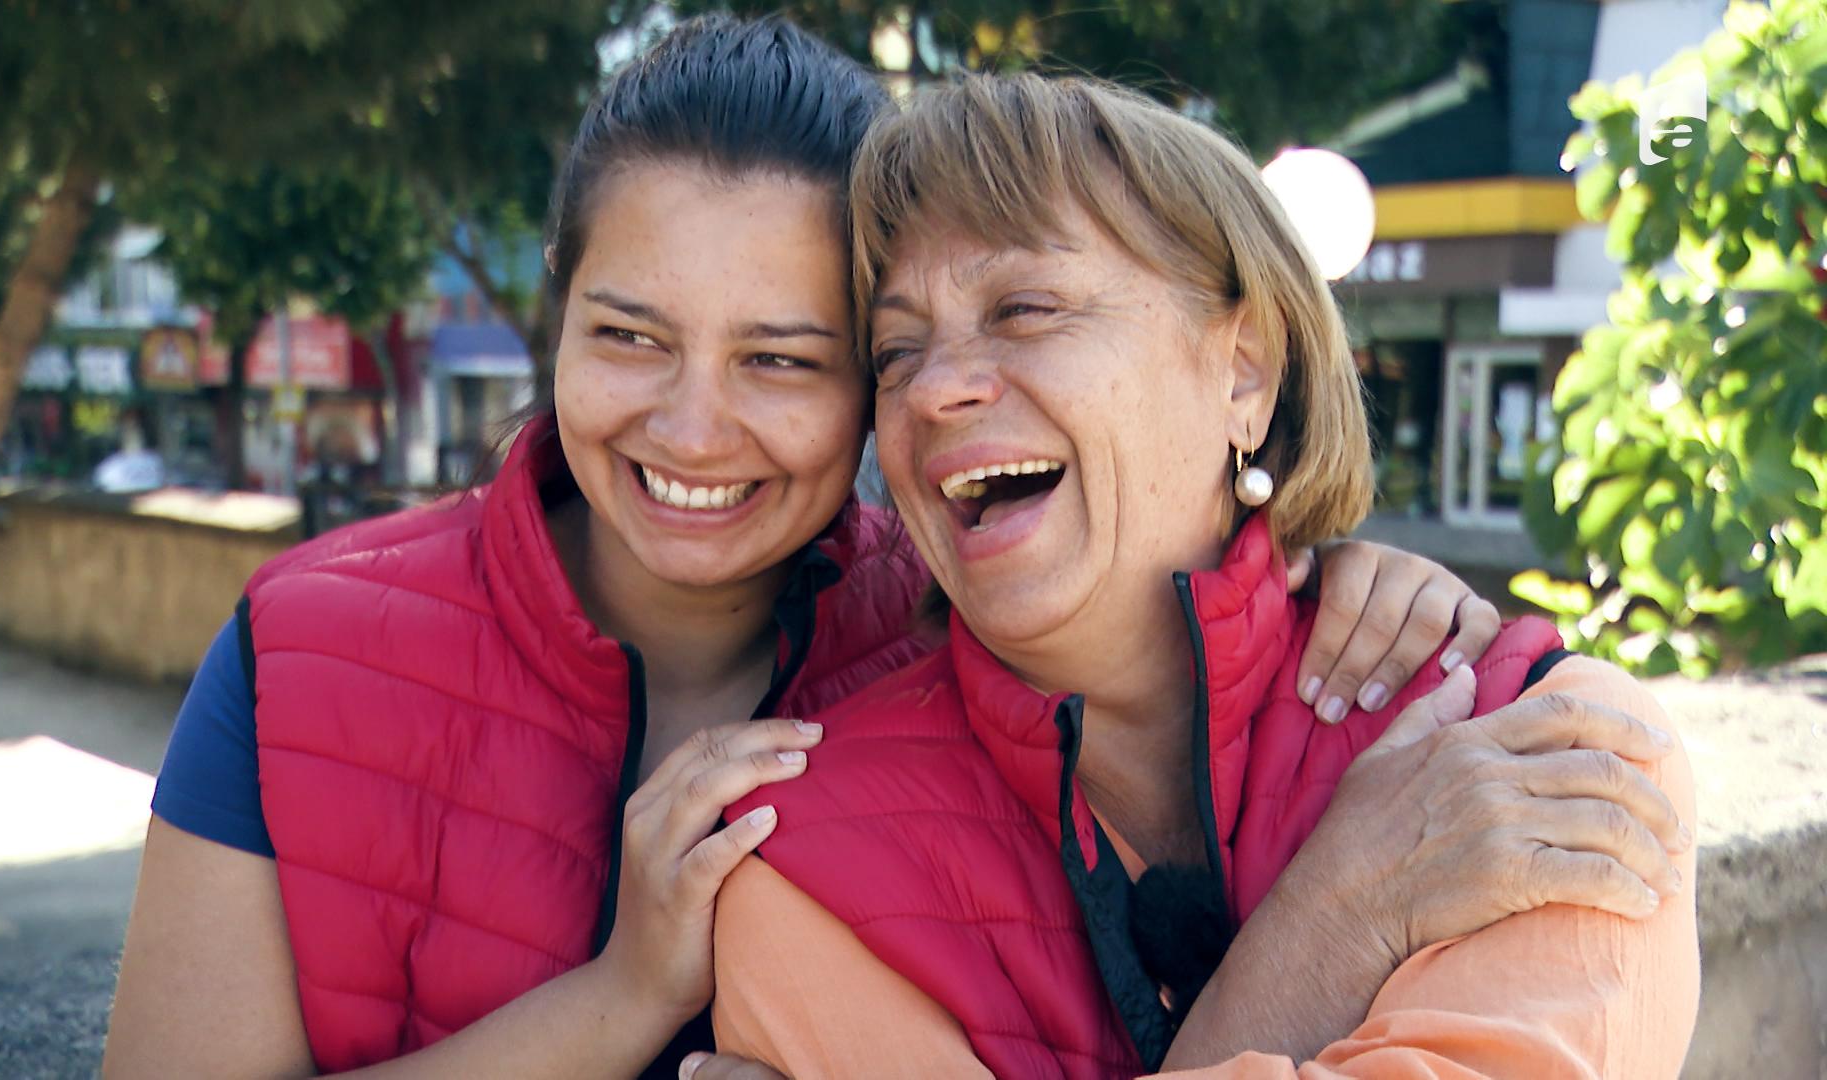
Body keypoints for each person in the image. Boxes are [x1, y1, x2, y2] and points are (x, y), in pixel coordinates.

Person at [100, 19, 1499, 1079]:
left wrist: (1327, 564)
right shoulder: (312, 652)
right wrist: (624, 997)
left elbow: (1175, 598)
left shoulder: (976, 618)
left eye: (785, 357)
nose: (695, 426)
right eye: (630, 336)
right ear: (554, 325)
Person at [707, 73, 1699, 1078]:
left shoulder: (1543, 736)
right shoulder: (800, 866)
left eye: (1024, 307)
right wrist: (1339, 914)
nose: (934, 389)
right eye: (896, 349)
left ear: (1245, 375)